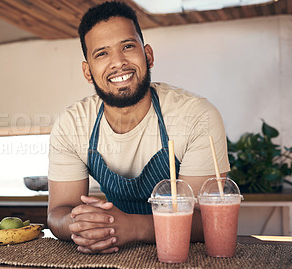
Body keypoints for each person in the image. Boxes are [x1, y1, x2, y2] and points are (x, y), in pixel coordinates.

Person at [47, 1, 230, 254]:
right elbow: (58, 213)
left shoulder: (196, 116)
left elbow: (207, 219)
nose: (118, 62)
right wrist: (80, 224)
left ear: (149, 55)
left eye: (128, 46)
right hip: (114, 255)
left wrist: (131, 228)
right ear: (88, 72)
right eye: (102, 53)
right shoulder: (71, 124)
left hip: (184, 256)